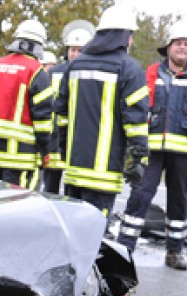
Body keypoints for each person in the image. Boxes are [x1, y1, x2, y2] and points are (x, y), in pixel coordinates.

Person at [116, 21, 187, 270]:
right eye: (178, 43)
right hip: (151, 149)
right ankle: (124, 247)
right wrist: (134, 144)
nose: (183, 48)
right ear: (168, 48)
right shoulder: (150, 74)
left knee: (180, 201)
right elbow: (134, 106)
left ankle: (175, 251)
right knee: (140, 196)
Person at [54, 7, 148, 217]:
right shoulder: (129, 69)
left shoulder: (75, 64)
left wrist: (63, 147)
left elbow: (60, 113)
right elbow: (136, 121)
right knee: (93, 235)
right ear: (126, 37)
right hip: (104, 174)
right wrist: (139, 158)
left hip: (74, 168)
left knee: (71, 229)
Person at [0, 19, 53, 189]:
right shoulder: (36, 72)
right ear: (39, 45)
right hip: (21, 157)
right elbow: (43, 120)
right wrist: (45, 151)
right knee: (18, 209)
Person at [43, 19, 94, 195]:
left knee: (74, 188)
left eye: (80, 50)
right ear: (67, 51)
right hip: (55, 137)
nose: (76, 54)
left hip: (77, 138)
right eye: (73, 50)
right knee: (50, 187)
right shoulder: (53, 72)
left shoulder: (91, 74)